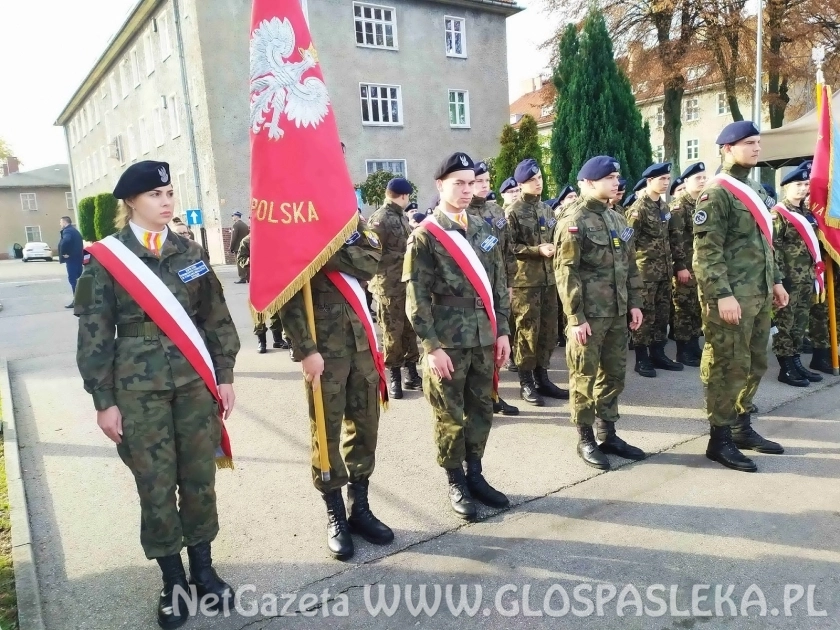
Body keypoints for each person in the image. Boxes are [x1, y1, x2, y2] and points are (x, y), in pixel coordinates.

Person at [74, 160, 240, 628]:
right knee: (155, 484)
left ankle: (203, 570)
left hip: (193, 385)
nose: (166, 202)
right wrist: (103, 400)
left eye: (169, 193)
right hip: (136, 392)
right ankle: (172, 581)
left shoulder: (191, 253)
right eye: (155, 195)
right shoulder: (108, 259)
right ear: (131, 202)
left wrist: (224, 374)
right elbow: (94, 334)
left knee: (199, 478)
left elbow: (216, 318)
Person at [404, 152, 512, 519]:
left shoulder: (483, 228)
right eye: (458, 184)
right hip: (448, 341)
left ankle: (475, 474)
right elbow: (416, 298)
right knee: (449, 414)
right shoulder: (425, 236)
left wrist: (502, 331)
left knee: (481, 409)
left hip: (484, 337)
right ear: (440, 186)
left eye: (471, 183)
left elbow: (498, 284)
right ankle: (455, 480)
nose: (467, 190)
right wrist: (431, 347)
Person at [280, 217, 392, 560]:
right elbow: (287, 295)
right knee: (326, 434)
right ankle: (335, 514)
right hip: (323, 352)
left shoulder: (352, 221)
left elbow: (370, 263)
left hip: (362, 349)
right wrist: (305, 349)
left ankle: (360, 508)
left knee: (366, 428)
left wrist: (321, 251)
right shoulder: (294, 226)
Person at [693, 120, 788, 473]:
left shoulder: (756, 189)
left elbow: (765, 243)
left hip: (758, 293)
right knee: (728, 365)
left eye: (758, 142)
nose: (757, 148)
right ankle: (719, 439)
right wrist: (722, 295)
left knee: (755, 362)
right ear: (727, 149)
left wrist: (776, 281)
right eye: (748, 143)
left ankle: (741, 426)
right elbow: (707, 252)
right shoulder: (717, 193)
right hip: (731, 297)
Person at [555, 156, 646, 469]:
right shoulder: (574, 219)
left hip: (617, 312)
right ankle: (585, 438)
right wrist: (575, 318)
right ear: (588, 183)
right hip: (589, 316)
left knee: (614, 373)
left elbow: (629, 265)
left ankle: (608, 433)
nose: (616, 183)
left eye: (616, 177)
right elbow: (566, 271)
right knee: (584, 376)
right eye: (609, 178)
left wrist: (634, 303)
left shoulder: (617, 218)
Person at [506, 158, 568, 405]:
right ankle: (526, 382)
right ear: (521, 184)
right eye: (532, 180)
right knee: (527, 332)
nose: (538, 183)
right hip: (526, 283)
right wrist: (536, 250)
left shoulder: (546, 210)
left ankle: (543, 378)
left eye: (540, 178)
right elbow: (509, 246)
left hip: (548, 280)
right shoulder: (513, 212)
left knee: (548, 331)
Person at [468, 161, 519, 416]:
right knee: (475, 351)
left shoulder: (496, 210)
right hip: (471, 291)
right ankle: (476, 402)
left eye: (487, 180)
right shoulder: (463, 212)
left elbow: (507, 250)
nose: (484, 184)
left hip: (495, 287)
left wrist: (509, 283)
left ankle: (493, 395)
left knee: (495, 344)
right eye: (479, 181)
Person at [626, 162, 684, 376]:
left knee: (661, 315)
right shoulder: (638, 209)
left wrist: (678, 264)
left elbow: (671, 239)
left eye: (668, 179)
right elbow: (628, 244)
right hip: (645, 274)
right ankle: (642, 358)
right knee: (644, 316)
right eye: (662, 179)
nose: (666, 183)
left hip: (664, 272)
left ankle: (658, 354)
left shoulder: (664, 207)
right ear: (649, 181)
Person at [367, 178, 422, 399]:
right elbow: (371, 252)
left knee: (409, 329)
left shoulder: (401, 216)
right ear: (404, 196)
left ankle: (411, 373)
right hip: (388, 286)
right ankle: (395, 377)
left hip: (405, 284)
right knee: (392, 332)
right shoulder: (380, 218)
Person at [771, 166, 824, 387]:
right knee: (784, 322)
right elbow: (773, 248)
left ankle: (796, 361)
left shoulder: (807, 213)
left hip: (806, 277)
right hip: (788, 279)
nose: (803, 189)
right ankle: (785, 368)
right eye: (798, 184)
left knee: (800, 323)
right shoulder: (778, 214)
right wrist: (778, 280)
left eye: (805, 184)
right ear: (785, 187)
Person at [668, 162, 707, 367]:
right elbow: (675, 238)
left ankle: (693, 345)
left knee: (696, 306)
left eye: (704, 178)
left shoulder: (702, 203)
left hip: (700, 265)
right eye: (698, 178)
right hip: (686, 265)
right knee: (683, 308)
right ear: (686, 181)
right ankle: (683, 350)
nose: (702, 181)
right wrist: (680, 266)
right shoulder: (679, 206)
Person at [237, 234, 288, 353]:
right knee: (258, 312)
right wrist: (251, 260)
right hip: (257, 281)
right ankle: (261, 341)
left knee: (276, 310)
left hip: (274, 278)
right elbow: (241, 259)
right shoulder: (247, 240)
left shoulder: (273, 237)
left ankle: (278, 339)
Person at [58, 216, 84, 308]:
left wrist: (65, 253)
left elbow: (66, 241)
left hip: (72, 259)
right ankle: (82, 300)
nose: (60, 224)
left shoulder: (67, 231)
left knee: (73, 280)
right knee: (79, 280)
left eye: (61, 222)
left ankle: (77, 301)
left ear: (65, 222)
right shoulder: (74, 231)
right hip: (78, 259)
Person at [229, 212, 250, 284]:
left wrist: (231, 247)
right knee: (246, 262)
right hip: (245, 246)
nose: (232, 217)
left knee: (239, 262)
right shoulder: (245, 225)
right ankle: (248, 277)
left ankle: (242, 277)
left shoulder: (236, 225)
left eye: (233, 216)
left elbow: (234, 237)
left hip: (237, 247)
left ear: (236, 216)